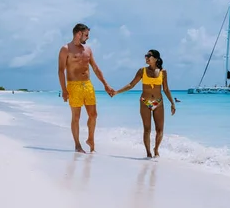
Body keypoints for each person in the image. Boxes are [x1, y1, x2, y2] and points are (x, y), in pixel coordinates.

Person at [58, 23, 114, 153]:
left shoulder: (88, 49)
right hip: (74, 85)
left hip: (88, 85)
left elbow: (95, 68)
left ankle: (90, 139)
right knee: (76, 117)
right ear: (79, 34)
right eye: (86, 35)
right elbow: (61, 71)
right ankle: (77, 145)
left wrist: (106, 84)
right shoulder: (65, 49)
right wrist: (64, 89)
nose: (87, 38)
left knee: (93, 115)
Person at [113, 49, 176, 158]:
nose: (146, 57)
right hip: (145, 102)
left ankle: (156, 149)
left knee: (160, 129)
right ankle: (148, 153)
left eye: (149, 56)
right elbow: (131, 85)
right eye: (145, 56)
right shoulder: (142, 71)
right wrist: (117, 92)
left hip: (158, 102)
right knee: (147, 129)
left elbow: (166, 89)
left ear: (156, 58)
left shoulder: (163, 72)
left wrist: (172, 103)